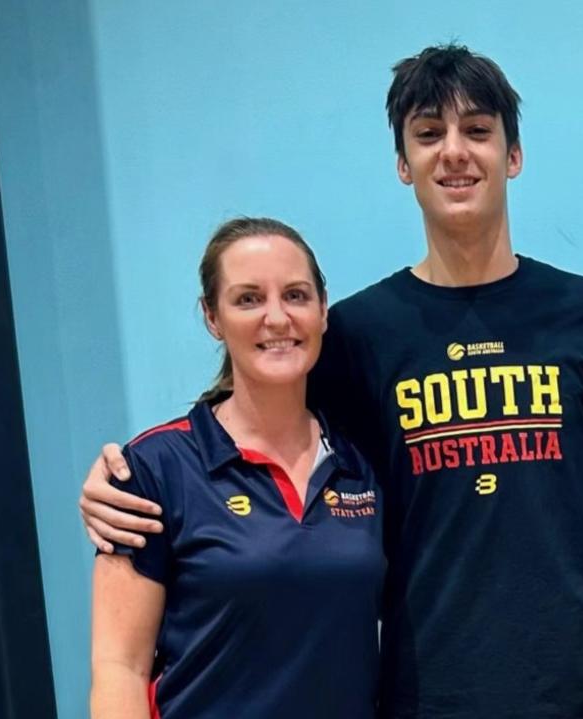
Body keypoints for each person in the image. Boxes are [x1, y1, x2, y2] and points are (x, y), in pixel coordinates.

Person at [81, 46, 583, 719]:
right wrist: (121, 480)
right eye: (429, 134)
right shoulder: (358, 333)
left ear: (512, 155)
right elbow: (262, 438)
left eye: (478, 131)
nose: (453, 152)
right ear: (403, 164)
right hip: (430, 695)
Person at [90, 217, 385, 718]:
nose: (276, 318)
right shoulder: (153, 471)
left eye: (295, 295)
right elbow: (120, 667)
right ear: (212, 316)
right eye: (248, 299)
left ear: (323, 310)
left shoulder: (361, 464)